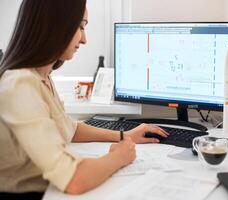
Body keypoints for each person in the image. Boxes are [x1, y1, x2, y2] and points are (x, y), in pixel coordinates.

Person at [0, 0, 168, 199]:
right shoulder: (20, 85)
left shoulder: (41, 76)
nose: (84, 39)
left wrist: (125, 135)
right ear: (55, 26)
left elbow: (68, 127)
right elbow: (74, 179)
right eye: (80, 26)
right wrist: (118, 157)